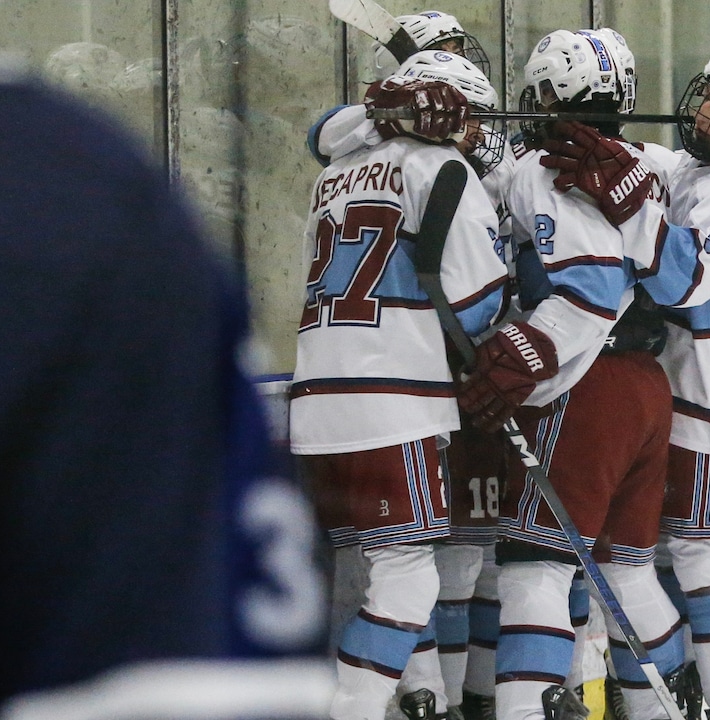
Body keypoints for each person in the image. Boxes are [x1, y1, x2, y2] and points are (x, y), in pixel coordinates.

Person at [0, 1, 332, 718]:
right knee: (430, 569)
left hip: (351, 383)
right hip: (386, 385)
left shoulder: (8, 207)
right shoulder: (25, 196)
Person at [540, 33, 710, 720]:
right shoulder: (698, 161)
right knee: (640, 553)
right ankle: (647, 696)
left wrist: (626, 197)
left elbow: (678, 277)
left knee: (698, 552)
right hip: (665, 389)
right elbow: (653, 172)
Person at [457, 27, 687, 720]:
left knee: (534, 567)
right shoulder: (652, 162)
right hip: (648, 383)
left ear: (549, 94)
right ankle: (674, 704)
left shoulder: (549, 166)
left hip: (585, 387)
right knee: (629, 567)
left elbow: (588, 283)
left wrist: (521, 354)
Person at [288, 50, 510, 720]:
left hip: (314, 402)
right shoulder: (441, 167)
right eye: (468, 117)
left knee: (372, 578)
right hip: (394, 403)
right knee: (409, 580)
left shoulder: (335, 173)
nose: (473, 131)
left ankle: (408, 700)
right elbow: (475, 305)